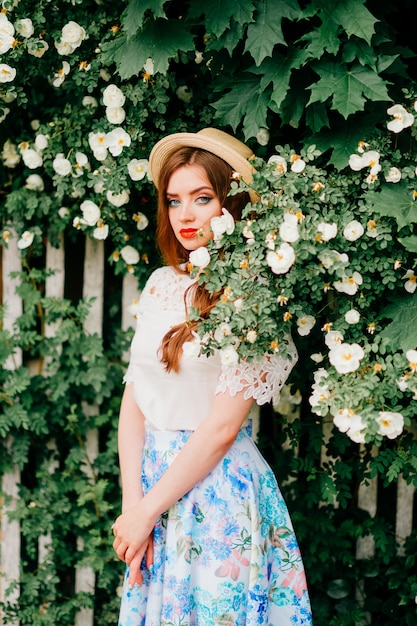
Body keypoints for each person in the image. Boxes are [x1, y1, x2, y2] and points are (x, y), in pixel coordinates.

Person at [112, 128, 313, 625]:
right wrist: (134, 508)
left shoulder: (255, 297)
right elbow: (134, 401)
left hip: (217, 489)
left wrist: (148, 510)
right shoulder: (162, 283)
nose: (184, 214)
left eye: (202, 198)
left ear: (232, 203)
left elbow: (222, 428)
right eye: (174, 200)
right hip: (152, 485)